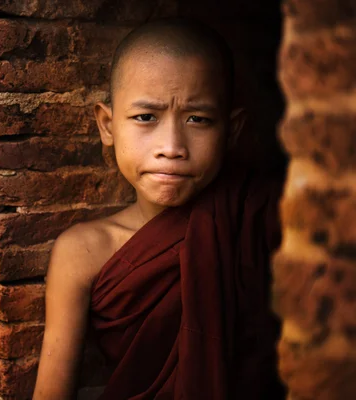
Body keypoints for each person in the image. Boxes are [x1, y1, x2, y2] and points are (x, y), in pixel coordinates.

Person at [33, 19, 286, 399]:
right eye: (145, 117)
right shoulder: (83, 251)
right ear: (107, 125)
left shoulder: (263, 218)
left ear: (231, 131)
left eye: (198, 119)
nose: (171, 146)